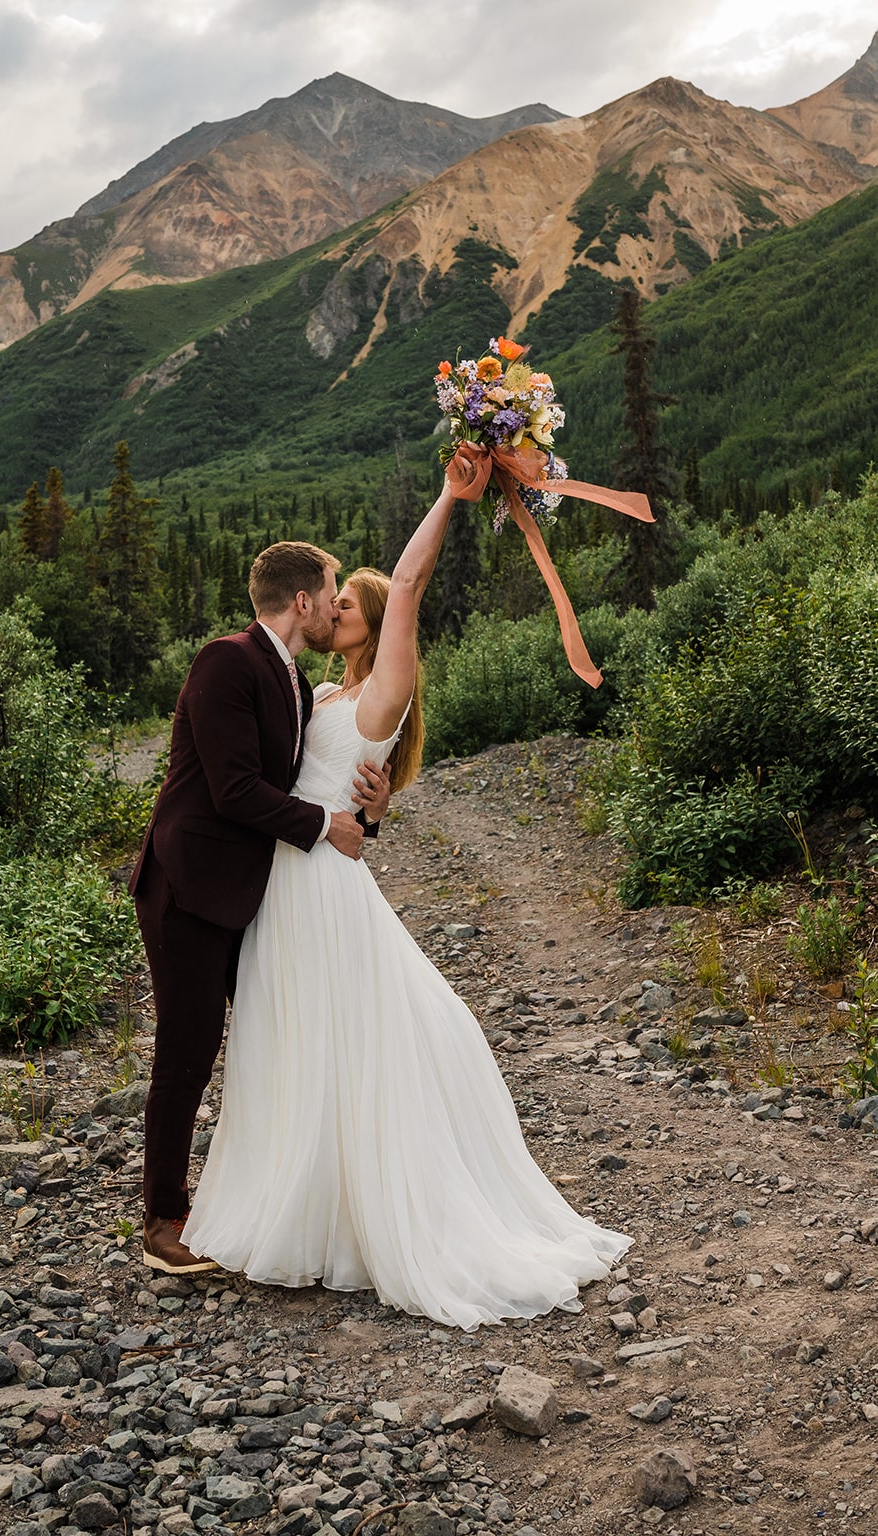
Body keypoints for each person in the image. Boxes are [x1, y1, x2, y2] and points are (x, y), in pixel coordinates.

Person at [183, 479, 632, 1328]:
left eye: (348, 601)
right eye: (333, 599)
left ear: (374, 615)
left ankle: (368, 1221)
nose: (334, 610)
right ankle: (303, 1209)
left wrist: (449, 495)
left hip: (320, 886)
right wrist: (366, 809)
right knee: (293, 1042)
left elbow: (412, 582)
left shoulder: (384, 688)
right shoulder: (320, 695)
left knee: (344, 1040)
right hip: (284, 883)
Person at [129, 540, 392, 1275]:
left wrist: (367, 810)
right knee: (188, 1049)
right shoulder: (227, 660)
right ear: (301, 601)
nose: (335, 605)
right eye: (331, 593)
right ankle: (162, 1217)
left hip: (253, 892)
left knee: (277, 1040)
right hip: (186, 885)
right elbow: (233, 789)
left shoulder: (296, 683)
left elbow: (310, 782)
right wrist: (322, 828)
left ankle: (279, 1200)